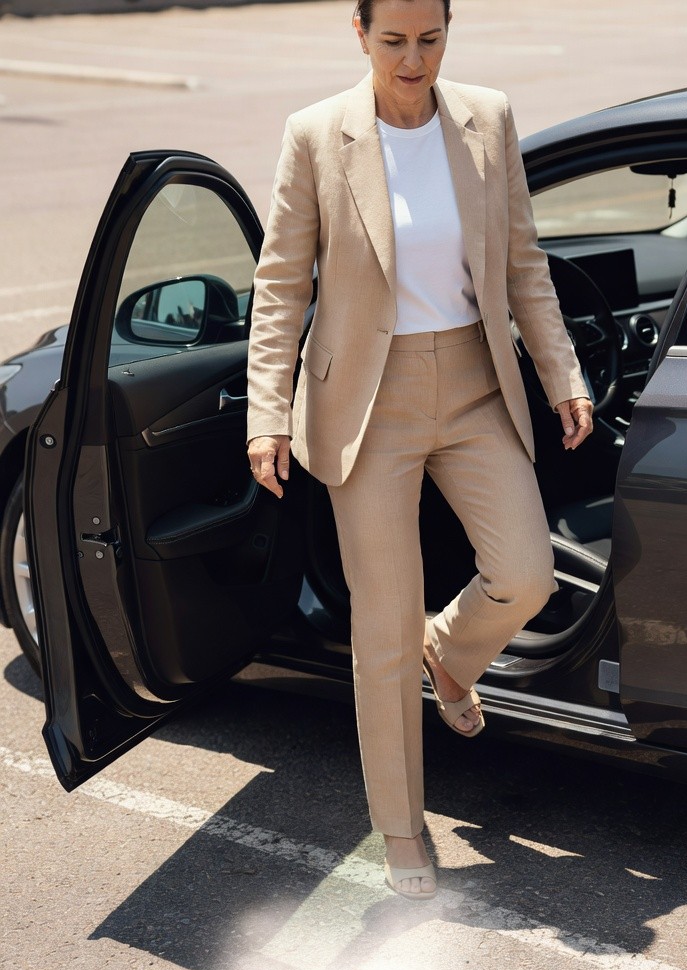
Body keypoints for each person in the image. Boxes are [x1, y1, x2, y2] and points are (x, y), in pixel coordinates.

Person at [246, 0, 593, 900]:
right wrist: (266, 414)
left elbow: (523, 262)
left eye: (429, 39)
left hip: (475, 383)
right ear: (357, 33)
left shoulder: (488, 118)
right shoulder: (317, 135)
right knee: (381, 628)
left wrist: (564, 375)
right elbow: (281, 284)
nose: (413, 61)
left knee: (527, 572)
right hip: (367, 401)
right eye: (393, 41)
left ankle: (453, 650)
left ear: (449, 32)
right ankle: (401, 828)